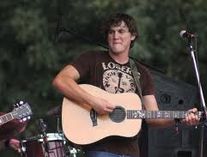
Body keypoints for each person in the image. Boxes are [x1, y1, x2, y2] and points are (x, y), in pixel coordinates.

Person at [52, 13, 199, 157]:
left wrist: (180, 117)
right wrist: (93, 101)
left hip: (130, 152)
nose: (116, 36)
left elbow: (153, 116)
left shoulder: (142, 72)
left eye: (121, 31)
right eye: (111, 32)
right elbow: (61, 80)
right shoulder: (92, 59)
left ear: (132, 36)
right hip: (99, 149)